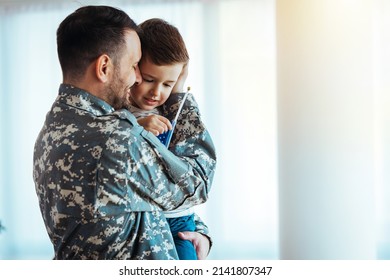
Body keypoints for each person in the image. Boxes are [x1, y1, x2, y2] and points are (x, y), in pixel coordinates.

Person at [33, 5, 216, 260]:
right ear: (104, 67)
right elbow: (197, 183)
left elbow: (141, 203)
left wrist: (199, 233)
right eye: (133, 65)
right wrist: (177, 93)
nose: (137, 77)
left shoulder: (52, 130)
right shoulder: (117, 139)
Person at [127, 18, 214, 260]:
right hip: (146, 227)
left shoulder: (173, 110)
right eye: (149, 79)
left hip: (183, 222)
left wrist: (179, 87)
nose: (157, 92)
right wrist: (137, 126)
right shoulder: (118, 113)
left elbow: (195, 166)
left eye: (168, 83)